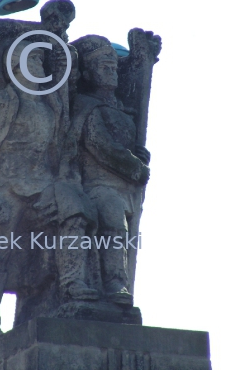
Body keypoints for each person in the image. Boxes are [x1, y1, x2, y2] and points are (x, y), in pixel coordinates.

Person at [0, 39, 97, 340]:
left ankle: (72, 284)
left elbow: (64, 152)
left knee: (74, 210)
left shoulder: (52, 105)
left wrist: (67, 185)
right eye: (29, 62)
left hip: (45, 186)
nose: (35, 66)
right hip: (6, 189)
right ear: (15, 69)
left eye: (38, 62)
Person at [71, 35, 150, 306]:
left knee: (125, 233)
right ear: (88, 72)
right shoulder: (85, 106)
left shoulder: (123, 110)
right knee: (113, 220)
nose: (112, 71)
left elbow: (125, 145)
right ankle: (115, 283)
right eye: (104, 66)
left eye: (114, 66)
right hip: (95, 184)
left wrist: (140, 157)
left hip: (125, 186)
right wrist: (136, 167)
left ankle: (119, 283)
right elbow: (100, 145)